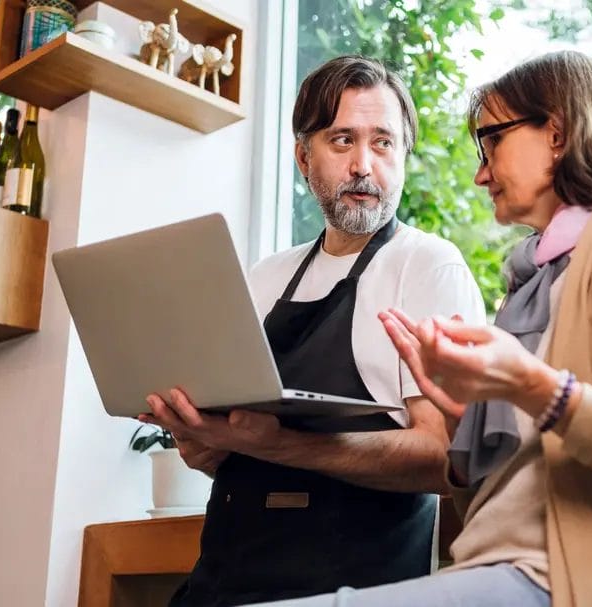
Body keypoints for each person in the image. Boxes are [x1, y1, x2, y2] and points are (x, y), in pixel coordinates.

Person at [254, 50, 592, 607]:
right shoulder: (532, 280)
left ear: (556, 134)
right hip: (493, 570)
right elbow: (511, 489)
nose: (479, 172)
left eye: (493, 142)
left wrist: (533, 389)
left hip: (569, 581)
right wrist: (471, 422)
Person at [140, 55, 485, 607]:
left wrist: (282, 444)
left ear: (404, 158)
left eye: (383, 143)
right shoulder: (264, 276)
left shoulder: (427, 266)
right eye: (342, 140)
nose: (363, 166)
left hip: (355, 586)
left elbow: (444, 457)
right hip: (224, 578)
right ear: (304, 157)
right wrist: (200, 441)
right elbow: (224, 457)